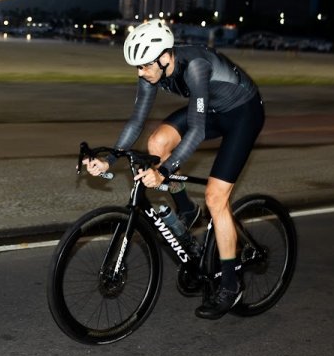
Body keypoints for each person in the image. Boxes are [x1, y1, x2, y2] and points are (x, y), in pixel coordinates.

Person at [82, 19, 264, 320]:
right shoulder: (152, 71)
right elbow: (136, 122)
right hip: (213, 111)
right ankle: (185, 208)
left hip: (243, 113)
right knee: (157, 142)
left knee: (216, 198)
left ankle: (231, 286)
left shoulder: (195, 68)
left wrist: (164, 172)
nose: (140, 73)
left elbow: (195, 130)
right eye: (137, 67)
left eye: (144, 66)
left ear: (165, 57)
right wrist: (109, 159)